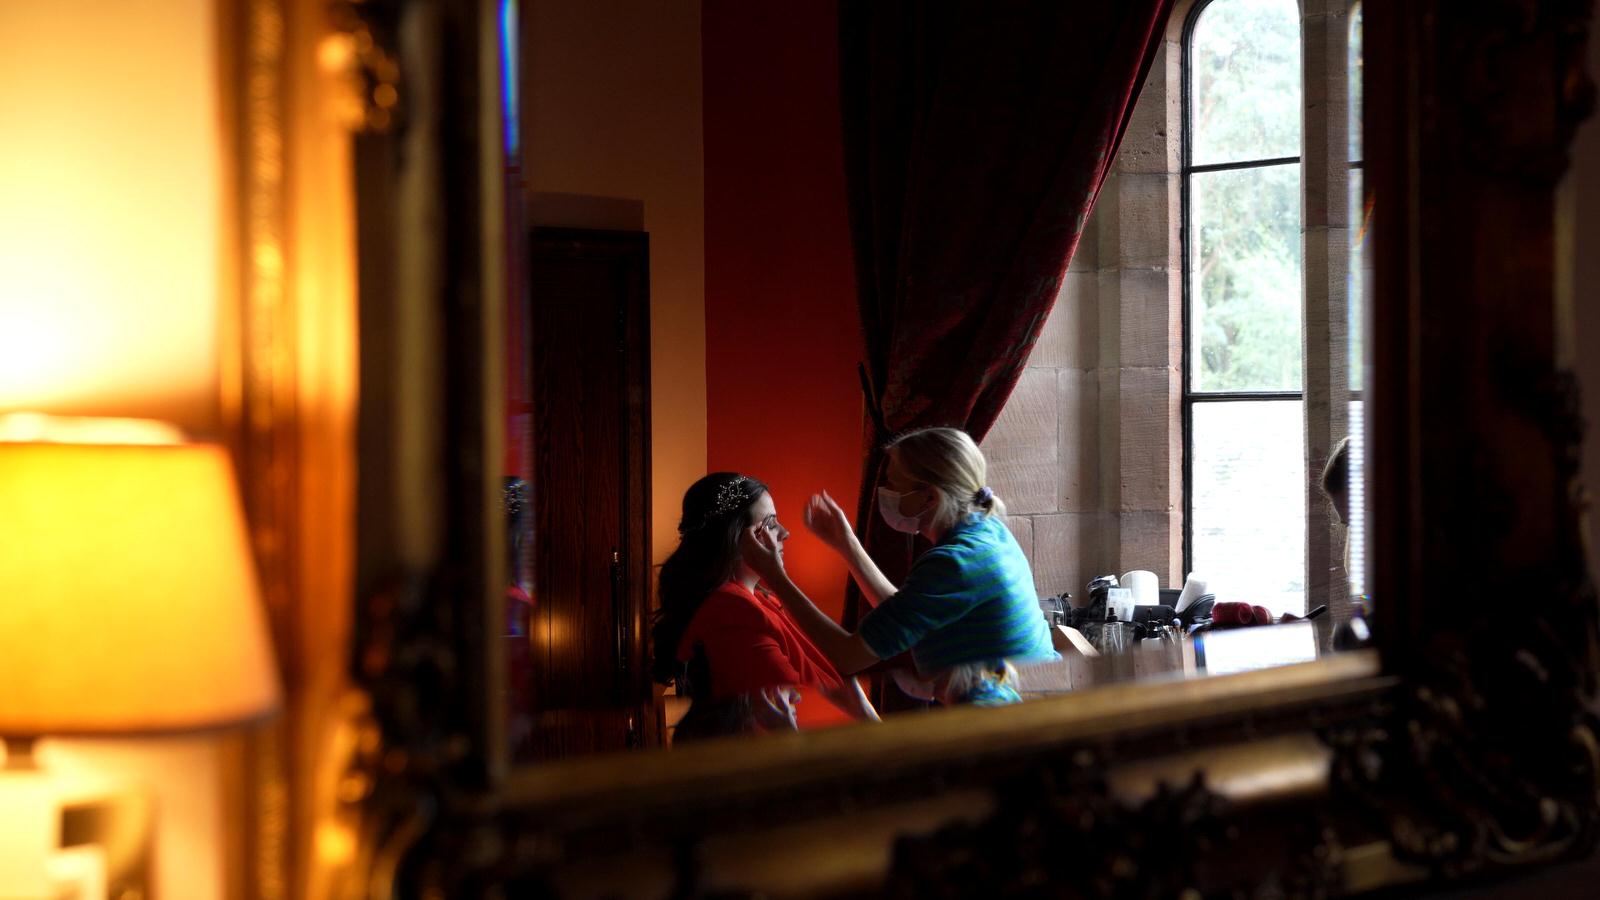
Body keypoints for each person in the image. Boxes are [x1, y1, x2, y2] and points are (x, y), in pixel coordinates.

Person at [739, 427, 1056, 707]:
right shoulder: (989, 531)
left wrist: (776, 576)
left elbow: (847, 657)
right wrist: (848, 546)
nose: (886, 493)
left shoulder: (954, 563)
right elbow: (905, 613)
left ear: (928, 497)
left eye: (894, 484)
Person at [651, 472, 878, 742]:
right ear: (734, 537)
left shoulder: (762, 600)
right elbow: (781, 705)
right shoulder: (732, 610)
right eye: (770, 524)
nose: (785, 532)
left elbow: (821, 673)